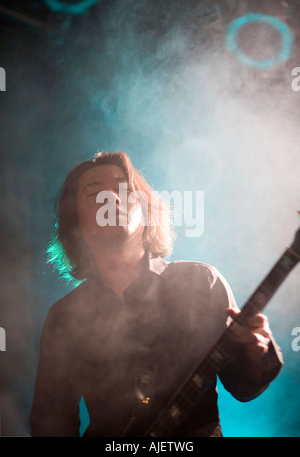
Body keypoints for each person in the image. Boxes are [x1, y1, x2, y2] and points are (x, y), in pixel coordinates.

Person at [30, 151, 283, 437]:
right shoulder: (64, 316)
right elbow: (50, 423)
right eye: (95, 193)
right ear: (74, 222)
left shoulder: (201, 281)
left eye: (122, 188)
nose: (111, 199)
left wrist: (255, 351)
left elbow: (243, 387)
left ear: (144, 208)